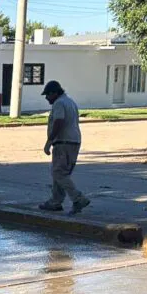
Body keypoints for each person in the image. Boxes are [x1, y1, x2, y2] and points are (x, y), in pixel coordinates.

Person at [38, 80, 90, 214]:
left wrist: (49, 141)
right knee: (60, 172)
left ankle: (78, 199)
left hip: (63, 142)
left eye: (48, 95)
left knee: (58, 173)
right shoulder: (70, 101)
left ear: (54, 93)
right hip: (73, 141)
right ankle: (56, 201)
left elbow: (59, 121)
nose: (46, 98)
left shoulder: (59, 103)